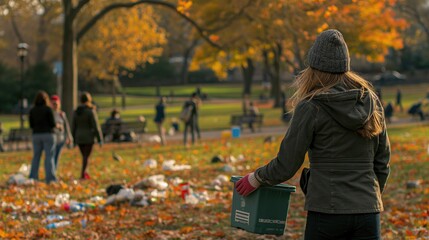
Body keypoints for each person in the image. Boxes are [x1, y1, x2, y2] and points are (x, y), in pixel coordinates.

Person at [235, 29, 390, 239]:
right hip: (368, 210)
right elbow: (382, 161)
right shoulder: (370, 100)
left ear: (313, 67)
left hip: (327, 210)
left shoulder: (311, 106)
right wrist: (369, 196)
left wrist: (256, 178)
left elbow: (288, 163)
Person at [72, 92, 103, 180]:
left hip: (79, 136)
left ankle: (85, 172)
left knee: (84, 156)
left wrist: (74, 139)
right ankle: (83, 174)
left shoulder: (76, 112)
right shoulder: (90, 111)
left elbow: (73, 126)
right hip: (88, 137)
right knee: (86, 156)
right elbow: (95, 126)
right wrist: (99, 139)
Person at [28, 91, 57, 183]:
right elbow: (52, 123)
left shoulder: (32, 110)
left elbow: (31, 124)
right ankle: (50, 178)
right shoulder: (48, 109)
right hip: (48, 134)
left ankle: (33, 176)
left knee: (36, 156)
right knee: (49, 156)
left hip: (36, 135)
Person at [50, 95, 73, 171]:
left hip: (60, 139)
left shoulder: (62, 114)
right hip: (51, 139)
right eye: (53, 104)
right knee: (51, 157)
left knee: (56, 157)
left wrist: (69, 137)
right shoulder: (49, 114)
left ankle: (54, 172)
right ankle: (51, 172)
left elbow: (66, 126)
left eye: (56, 104)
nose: (55, 106)